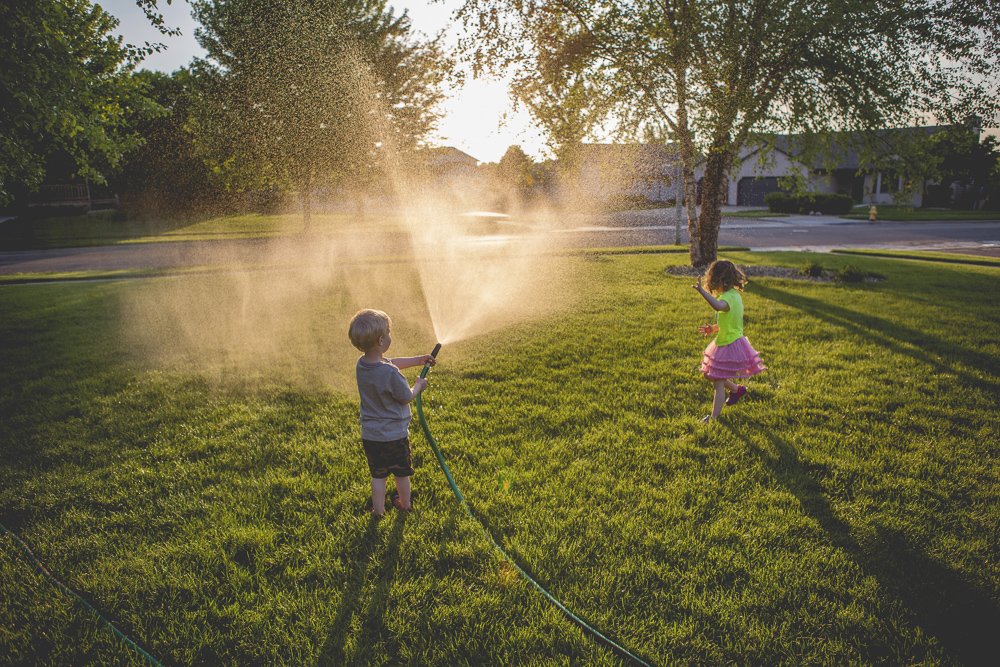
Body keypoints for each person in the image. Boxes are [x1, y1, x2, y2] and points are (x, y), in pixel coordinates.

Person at [348, 309, 435, 518]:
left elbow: (391, 362)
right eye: (388, 333)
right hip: (395, 436)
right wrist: (419, 386)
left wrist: (418, 360)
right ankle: (405, 505)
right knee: (401, 473)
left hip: (371, 436)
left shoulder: (362, 364)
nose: (389, 336)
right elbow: (405, 396)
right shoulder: (390, 374)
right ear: (381, 340)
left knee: (378, 476)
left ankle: (378, 511)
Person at [692, 260, 767, 422]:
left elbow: (718, 307)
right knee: (709, 374)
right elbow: (730, 320)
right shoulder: (733, 295)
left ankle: (713, 419)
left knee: (717, 382)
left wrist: (701, 292)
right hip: (725, 339)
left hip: (730, 344)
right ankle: (736, 390)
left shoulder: (727, 298)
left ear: (718, 280)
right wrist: (714, 328)